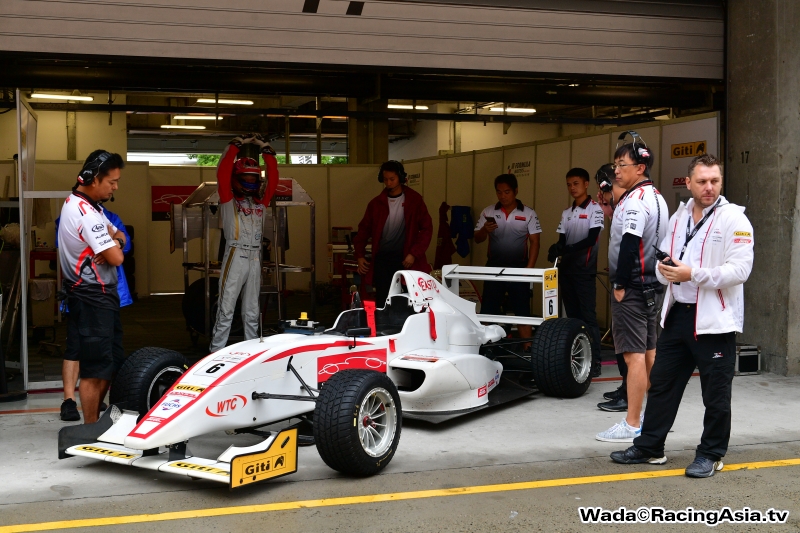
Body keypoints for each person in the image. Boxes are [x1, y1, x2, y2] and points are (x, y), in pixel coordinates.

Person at [611, 154, 754, 478]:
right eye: (702, 181)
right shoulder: (678, 218)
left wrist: (693, 274)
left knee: (715, 394)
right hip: (677, 316)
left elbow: (740, 270)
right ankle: (650, 447)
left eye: (714, 181)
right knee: (662, 384)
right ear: (688, 183)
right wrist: (667, 273)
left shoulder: (734, 219)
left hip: (714, 322)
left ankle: (711, 454)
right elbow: (665, 262)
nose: (708, 187)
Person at [596, 132, 668, 443]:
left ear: (640, 167)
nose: (616, 171)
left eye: (621, 164)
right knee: (649, 351)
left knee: (633, 356)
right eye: (614, 165)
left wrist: (620, 284)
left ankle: (633, 423)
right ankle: (652, 418)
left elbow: (630, 243)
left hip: (634, 288)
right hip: (652, 286)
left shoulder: (636, 201)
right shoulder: (656, 196)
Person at [58, 150, 127, 424]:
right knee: (95, 368)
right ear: (93, 179)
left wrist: (116, 242)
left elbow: (119, 236)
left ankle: (97, 423)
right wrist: (114, 248)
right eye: (112, 181)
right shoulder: (85, 212)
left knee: (109, 362)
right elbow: (118, 258)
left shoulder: (90, 206)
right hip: (92, 298)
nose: (115, 187)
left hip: (98, 298)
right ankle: (91, 429)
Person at [209, 134, 279, 353]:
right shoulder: (228, 200)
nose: (250, 182)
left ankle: (251, 354)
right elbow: (221, 173)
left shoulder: (262, 202)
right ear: (236, 178)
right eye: (246, 178)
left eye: (254, 178)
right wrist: (234, 147)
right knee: (226, 308)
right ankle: (215, 351)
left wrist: (266, 149)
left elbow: (274, 179)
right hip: (235, 254)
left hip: (256, 257)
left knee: (252, 310)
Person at [547, 168, 605, 377]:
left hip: (584, 272)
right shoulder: (566, 212)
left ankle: (595, 362)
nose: (572, 188)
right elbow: (561, 242)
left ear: (586, 184)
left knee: (588, 318)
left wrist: (567, 249)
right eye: (569, 184)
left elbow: (591, 239)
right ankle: (578, 359)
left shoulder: (595, 209)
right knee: (573, 319)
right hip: (567, 272)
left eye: (576, 183)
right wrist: (555, 249)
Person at [354, 160, 433, 306]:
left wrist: (414, 254)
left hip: (407, 259)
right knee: (384, 300)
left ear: (401, 178)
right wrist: (359, 255)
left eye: (392, 179)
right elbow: (363, 230)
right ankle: (383, 327)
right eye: (385, 180)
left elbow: (427, 229)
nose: (388, 183)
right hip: (383, 259)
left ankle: (407, 327)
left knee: (409, 300)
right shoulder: (376, 204)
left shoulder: (415, 200)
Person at [474, 173, 541, 341]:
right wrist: (484, 230)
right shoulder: (488, 211)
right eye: (499, 192)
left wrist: (529, 269)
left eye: (507, 192)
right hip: (494, 268)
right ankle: (484, 348)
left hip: (520, 269)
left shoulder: (529, 213)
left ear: (516, 191)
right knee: (488, 310)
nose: (502, 196)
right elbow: (477, 238)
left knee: (522, 311)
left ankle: (527, 349)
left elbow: (535, 242)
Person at [595, 164, 629, 412]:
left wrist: (621, 283)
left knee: (628, 344)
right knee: (619, 340)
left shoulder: (632, 206)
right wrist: (608, 207)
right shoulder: (620, 207)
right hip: (623, 281)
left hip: (629, 286)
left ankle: (630, 392)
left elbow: (630, 245)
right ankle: (627, 385)